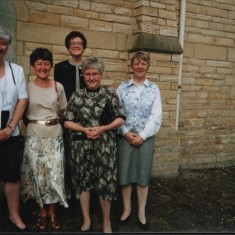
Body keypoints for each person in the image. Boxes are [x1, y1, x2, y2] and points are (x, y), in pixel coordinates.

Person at [62, 56, 125, 233]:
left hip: (105, 147)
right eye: (88, 74)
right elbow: (67, 121)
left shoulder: (110, 94)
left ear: (101, 75)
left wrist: (102, 128)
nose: (91, 77)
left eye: (95, 74)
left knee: (105, 183)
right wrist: (84, 130)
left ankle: (106, 221)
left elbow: (120, 119)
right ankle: (86, 219)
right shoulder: (77, 96)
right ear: (83, 75)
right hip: (81, 147)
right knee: (84, 183)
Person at [20, 48, 68, 231]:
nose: (43, 67)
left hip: (55, 136)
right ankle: (42, 211)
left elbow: (63, 111)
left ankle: (53, 211)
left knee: (54, 175)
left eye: (46, 63)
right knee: (37, 176)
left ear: (51, 66)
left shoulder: (58, 87)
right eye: (39, 63)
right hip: (33, 136)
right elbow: (23, 112)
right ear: (33, 66)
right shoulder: (26, 87)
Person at [117, 51, 162, 230]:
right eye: (136, 63)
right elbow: (116, 112)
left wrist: (142, 135)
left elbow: (156, 115)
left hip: (146, 137)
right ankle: (127, 209)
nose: (140, 66)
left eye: (143, 63)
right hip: (125, 136)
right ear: (132, 65)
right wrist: (126, 132)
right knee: (125, 174)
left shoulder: (154, 89)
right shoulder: (122, 88)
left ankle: (141, 212)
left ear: (147, 66)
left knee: (142, 175)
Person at [0, 27, 28, 232]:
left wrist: (10, 128)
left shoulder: (15, 70)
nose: (0, 47)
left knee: (11, 175)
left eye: (3, 43)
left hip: (10, 130)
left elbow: (22, 99)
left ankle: (14, 214)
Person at [54, 31, 87, 196]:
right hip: (66, 117)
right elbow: (56, 93)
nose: (76, 46)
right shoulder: (60, 68)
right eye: (73, 43)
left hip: (86, 118)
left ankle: (83, 190)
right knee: (67, 153)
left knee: (83, 154)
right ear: (68, 47)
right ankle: (68, 191)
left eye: (79, 43)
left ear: (84, 47)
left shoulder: (89, 67)